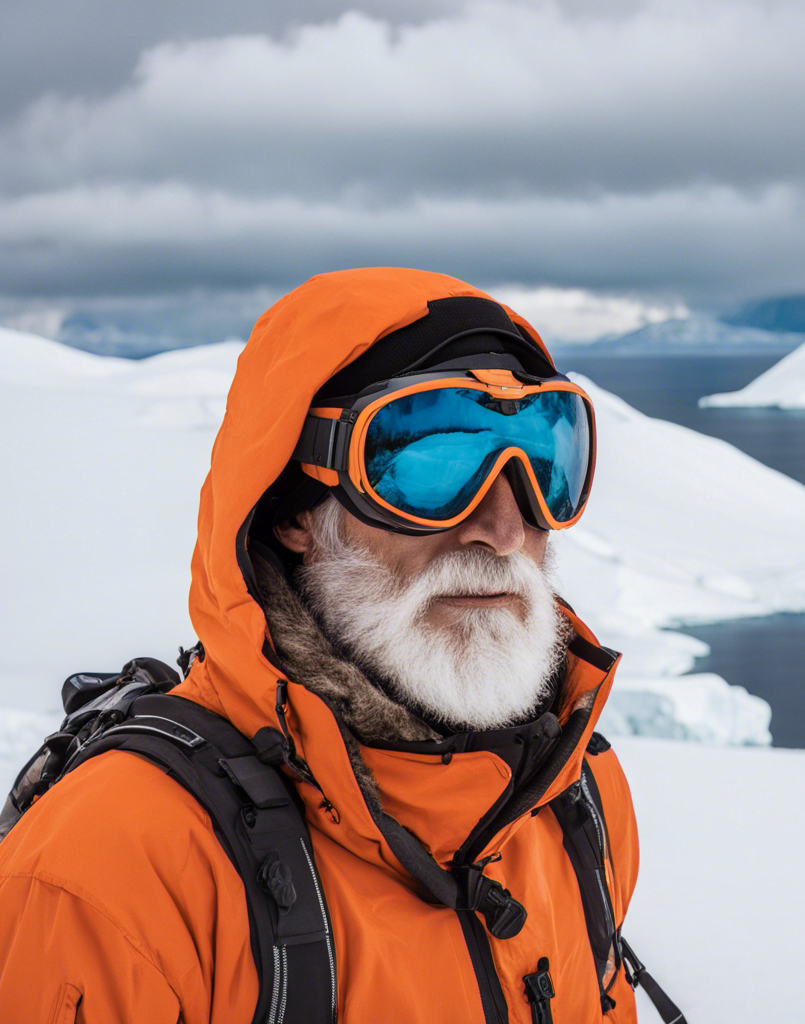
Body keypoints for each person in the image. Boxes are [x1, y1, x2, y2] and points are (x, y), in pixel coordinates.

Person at [0, 268, 641, 1022]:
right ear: (290, 511)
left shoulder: (573, 799)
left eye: (543, 461)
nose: (503, 529)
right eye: (429, 468)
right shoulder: (114, 874)